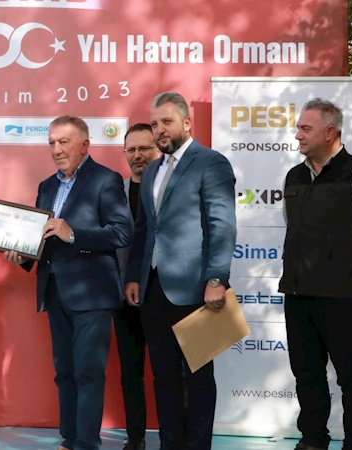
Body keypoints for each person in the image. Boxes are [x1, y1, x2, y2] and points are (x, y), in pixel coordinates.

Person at [4, 115, 132, 450]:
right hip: (55, 291)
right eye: (52, 143)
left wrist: (73, 234)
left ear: (85, 146)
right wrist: (22, 255)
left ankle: (87, 443)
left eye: (64, 142)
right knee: (65, 371)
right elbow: (40, 238)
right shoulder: (47, 186)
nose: (57, 149)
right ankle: (70, 438)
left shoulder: (106, 180)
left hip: (92, 294)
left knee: (88, 372)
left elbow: (121, 232)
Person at [279, 98, 352, 450]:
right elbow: (292, 226)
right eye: (298, 128)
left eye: (306, 128)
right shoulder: (294, 176)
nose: (297, 135)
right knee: (307, 374)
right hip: (299, 295)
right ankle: (313, 440)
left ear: (330, 132)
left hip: (343, 298)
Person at [125, 92, 237, 450]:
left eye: (166, 122)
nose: (159, 129)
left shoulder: (211, 163)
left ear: (187, 123)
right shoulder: (152, 171)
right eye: (154, 124)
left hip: (198, 289)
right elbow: (144, 227)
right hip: (153, 288)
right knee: (164, 377)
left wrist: (216, 279)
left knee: (198, 376)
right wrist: (133, 275)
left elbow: (222, 225)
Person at [114, 123, 162, 450]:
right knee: (130, 371)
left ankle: (174, 438)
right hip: (123, 296)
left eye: (144, 148)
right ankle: (135, 438)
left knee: (167, 370)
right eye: (131, 150)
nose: (137, 155)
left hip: (163, 293)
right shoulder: (114, 191)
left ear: (158, 149)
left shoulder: (168, 190)